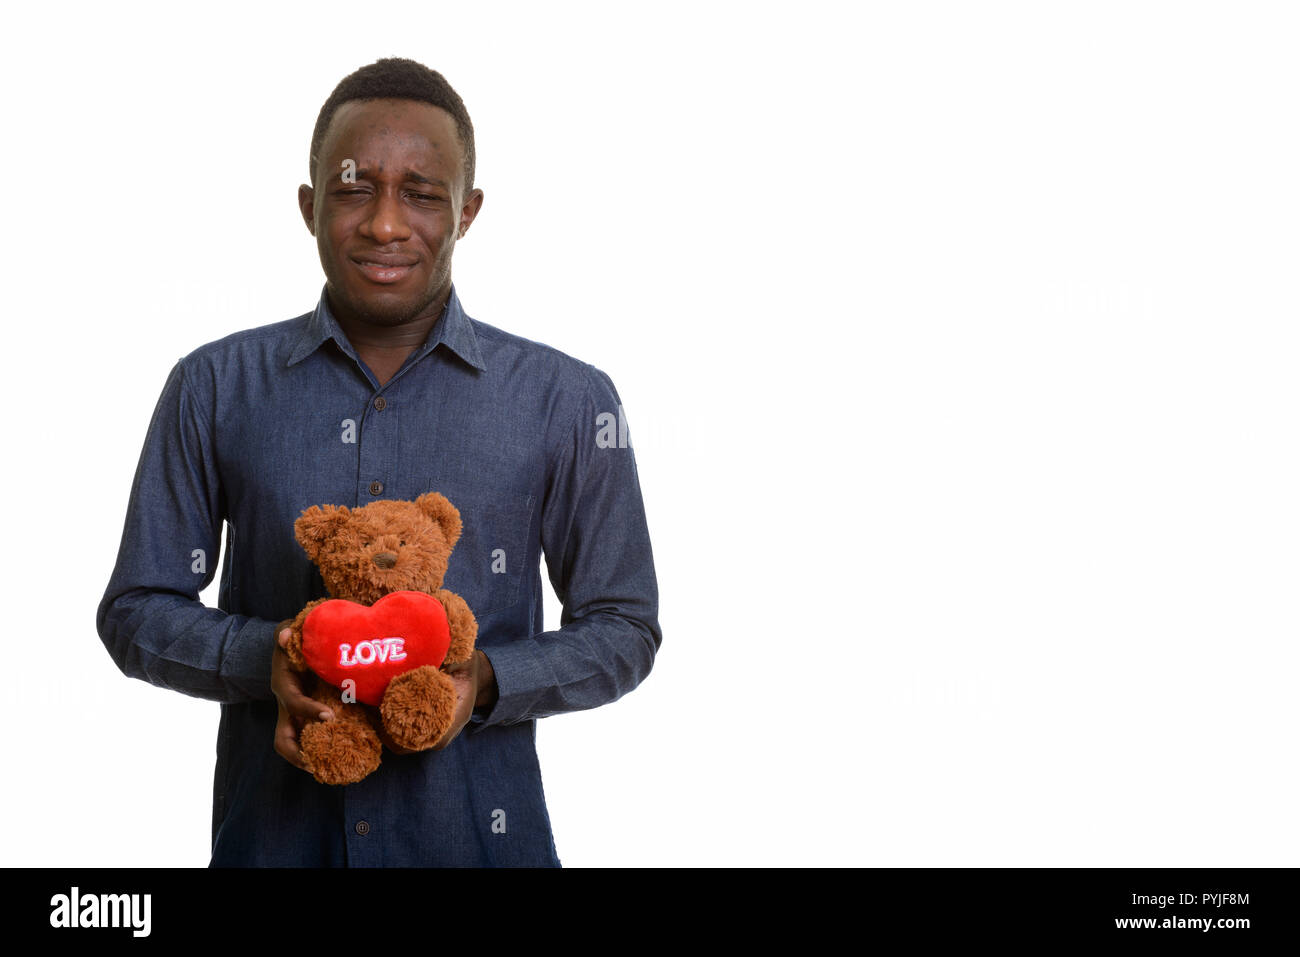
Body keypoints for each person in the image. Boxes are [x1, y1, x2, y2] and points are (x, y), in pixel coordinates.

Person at [96, 57, 661, 867]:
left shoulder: (566, 400)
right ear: (310, 206)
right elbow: (136, 609)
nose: (386, 224)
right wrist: (277, 657)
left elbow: (625, 626)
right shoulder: (213, 386)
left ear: (466, 213)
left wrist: (483, 682)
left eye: (423, 194)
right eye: (355, 188)